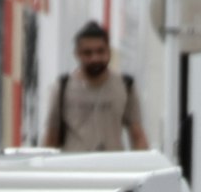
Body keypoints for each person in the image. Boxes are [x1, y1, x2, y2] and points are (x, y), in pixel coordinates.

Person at [44, 21, 150, 152]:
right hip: (74, 168)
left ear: (109, 52)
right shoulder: (62, 88)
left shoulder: (126, 86)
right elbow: (51, 138)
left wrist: (142, 165)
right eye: (87, 53)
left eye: (100, 51)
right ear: (77, 54)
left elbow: (137, 135)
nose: (95, 58)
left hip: (113, 168)